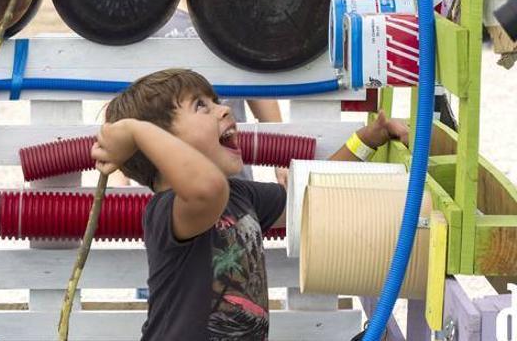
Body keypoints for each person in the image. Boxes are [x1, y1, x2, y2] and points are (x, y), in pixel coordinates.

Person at [93, 69, 409, 340]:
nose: (224, 110)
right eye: (201, 106)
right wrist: (136, 131)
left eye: (215, 100)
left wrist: (368, 140)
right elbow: (206, 190)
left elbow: (315, 195)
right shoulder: (167, 210)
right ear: (158, 145)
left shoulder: (240, 194)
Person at [145, 0, 284, 183]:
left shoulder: (240, 24)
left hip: (234, 182)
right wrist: (121, 186)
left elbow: (260, 94)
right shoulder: (153, 24)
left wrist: (282, 161)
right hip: (167, 186)